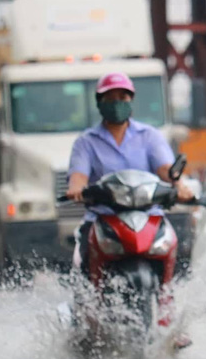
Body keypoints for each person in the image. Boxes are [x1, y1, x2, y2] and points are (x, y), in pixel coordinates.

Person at [66, 72, 192, 272]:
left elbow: (166, 169)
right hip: (103, 218)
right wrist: (77, 190)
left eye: (122, 98)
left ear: (131, 99)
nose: (117, 103)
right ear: (100, 103)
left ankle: (167, 298)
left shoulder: (149, 136)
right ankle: (87, 301)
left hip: (148, 217)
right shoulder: (86, 142)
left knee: (174, 253)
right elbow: (78, 178)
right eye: (110, 98)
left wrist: (180, 186)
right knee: (81, 262)